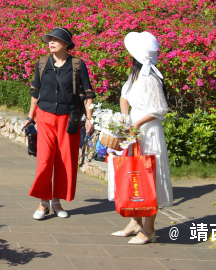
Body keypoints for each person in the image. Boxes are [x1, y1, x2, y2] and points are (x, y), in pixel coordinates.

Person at [109, 31, 173, 244]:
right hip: (133, 128)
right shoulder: (135, 74)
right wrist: (125, 119)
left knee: (148, 175)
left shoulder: (151, 77)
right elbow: (124, 96)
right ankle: (135, 222)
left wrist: (137, 123)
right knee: (132, 172)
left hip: (149, 130)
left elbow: (159, 109)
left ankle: (149, 229)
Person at [27, 27, 96, 220]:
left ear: (66, 44)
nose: (50, 42)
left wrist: (89, 119)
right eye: (49, 40)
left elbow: (88, 94)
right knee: (45, 160)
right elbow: (35, 93)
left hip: (69, 118)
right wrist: (29, 117)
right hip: (45, 117)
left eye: (55, 40)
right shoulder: (42, 63)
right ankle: (43, 202)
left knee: (65, 161)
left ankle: (56, 202)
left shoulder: (77, 64)